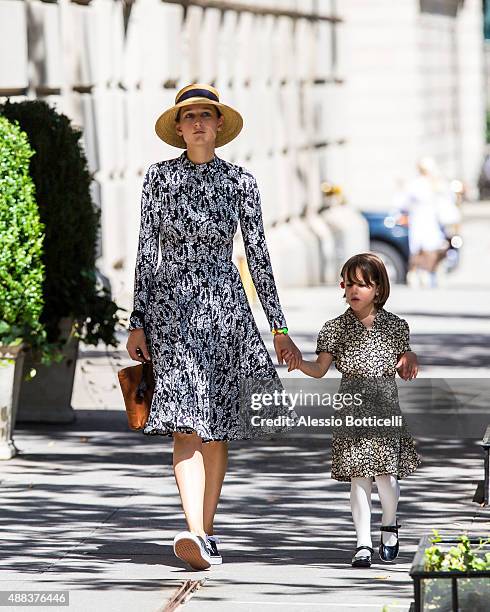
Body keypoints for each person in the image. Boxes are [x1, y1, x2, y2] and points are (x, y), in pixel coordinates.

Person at [126, 83, 302, 571]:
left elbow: (259, 256)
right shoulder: (158, 180)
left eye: (207, 115)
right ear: (178, 128)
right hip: (171, 316)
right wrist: (137, 320)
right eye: (189, 117)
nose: (198, 123)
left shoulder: (240, 182)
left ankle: (205, 531)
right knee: (185, 425)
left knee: (216, 429)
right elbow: (146, 251)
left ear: (219, 125)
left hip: (225, 312)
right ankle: (194, 532)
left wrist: (279, 328)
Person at [283, 253, 421, 568]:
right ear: (342, 287)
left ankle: (389, 522)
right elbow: (319, 369)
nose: (355, 291)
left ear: (378, 289)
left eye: (364, 284)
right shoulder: (334, 328)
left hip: (384, 410)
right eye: (350, 284)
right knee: (359, 478)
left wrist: (408, 360)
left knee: (386, 477)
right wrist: (298, 362)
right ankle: (362, 542)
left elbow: (404, 357)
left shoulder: (395, 326)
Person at [395, 157, 454, 288]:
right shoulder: (430, 184)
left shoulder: (422, 184)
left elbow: (402, 203)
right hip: (427, 221)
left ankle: (421, 274)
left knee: (423, 248)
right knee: (428, 248)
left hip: (425, 221)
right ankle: (423, 274)